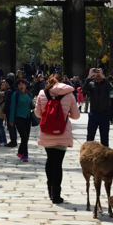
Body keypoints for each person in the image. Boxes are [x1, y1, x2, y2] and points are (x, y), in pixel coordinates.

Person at [35, 73, 80, 204]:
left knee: (50, 160)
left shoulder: (42, 93)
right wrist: (66, 113)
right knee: (58, 163)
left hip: (47, 132)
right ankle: (56, 195)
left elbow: (38, 114)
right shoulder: (69, 94)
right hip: (62, 132)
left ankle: (50, 190)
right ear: (62, 82)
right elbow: (76, 116)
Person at [84, 67, 113, 147]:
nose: (98, 75)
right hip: (93, 112)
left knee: (104, 135)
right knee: (90, 134)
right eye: (96, 73)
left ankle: (105, 154)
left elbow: (111, 88)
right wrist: (89, 76)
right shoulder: (91, 83)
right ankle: (88, 152)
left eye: (99, 73)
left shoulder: (106, 83)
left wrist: (104, 78)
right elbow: (84, 89)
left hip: (104, 113)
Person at [8, 78, 34, 162]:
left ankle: (20, 152)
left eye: (23, 84)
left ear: (26, 85)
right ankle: (25, 155)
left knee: (26, 137)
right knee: (24, 136)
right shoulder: (15, 95)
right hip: (19, 118)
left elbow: (30, 106)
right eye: (19, 85)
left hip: (27, 118)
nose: (21, 86)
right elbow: (12, 108)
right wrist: (11, 120)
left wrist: (34, 105)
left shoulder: (29, 94)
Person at [1, 76, 19, 147]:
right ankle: (14, 140)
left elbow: (7, 102)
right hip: (16, 110)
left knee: (10, 126)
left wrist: (5, 111)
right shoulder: (16, 90)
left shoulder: (9, 91)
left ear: (7, 83)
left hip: (10, 110)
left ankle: (13, 141)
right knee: (13, 126)